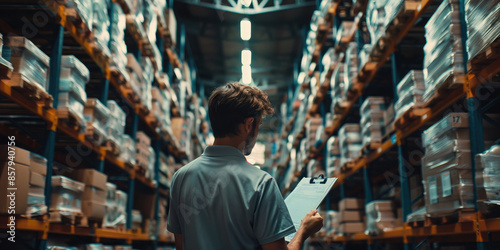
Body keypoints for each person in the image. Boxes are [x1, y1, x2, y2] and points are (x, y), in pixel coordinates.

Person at [167, 82, 323, 250]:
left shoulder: (181, 177)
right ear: (249, 124)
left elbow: (181, 246)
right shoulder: (261, 184)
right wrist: (303, 230)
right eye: (258, 125)